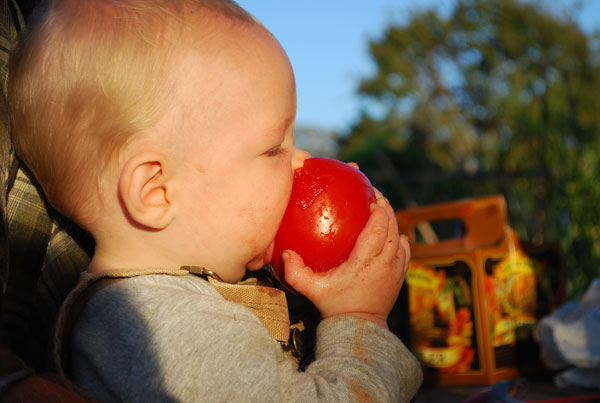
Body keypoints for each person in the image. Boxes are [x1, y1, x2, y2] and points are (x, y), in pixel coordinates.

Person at [9, 0, 423, 401]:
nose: (303, 164)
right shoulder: (170, 331)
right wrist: (359, 319)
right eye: (273, 148)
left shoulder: (182, 297)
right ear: (156, 190)